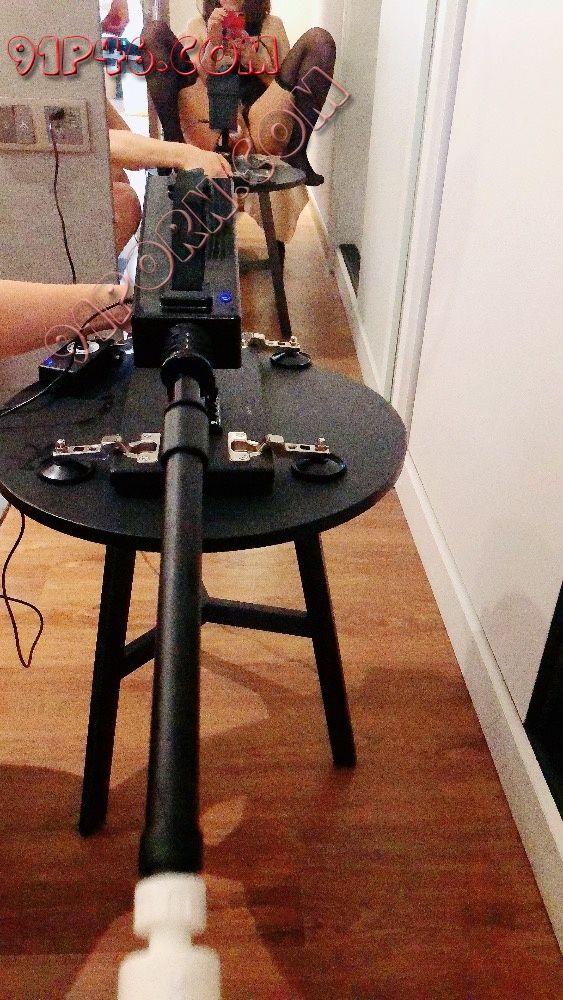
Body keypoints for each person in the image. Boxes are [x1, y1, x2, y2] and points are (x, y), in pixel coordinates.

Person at [141, 1, 337, 243]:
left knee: (319, 40)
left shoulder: (272, 26)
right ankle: (172, 147)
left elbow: (288, 88)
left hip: (260, 121)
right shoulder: (198, 26)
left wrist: (256, 63)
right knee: (154, 32)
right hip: (211, 118)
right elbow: (186, 86)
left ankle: (297, 153)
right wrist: (212, 45)